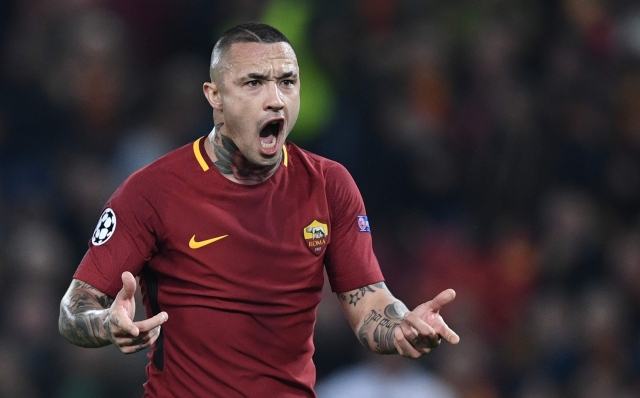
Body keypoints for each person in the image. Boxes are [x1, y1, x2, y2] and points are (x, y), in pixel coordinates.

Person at [58, 22, 460, 397]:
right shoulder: (152, 192)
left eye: (287, 82)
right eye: (254, 83)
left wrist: (402, 327)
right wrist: (107, 325)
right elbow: (74, 310)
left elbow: (369, 306)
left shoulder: (329, 185)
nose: (275, 99)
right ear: (215, 96)